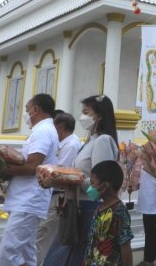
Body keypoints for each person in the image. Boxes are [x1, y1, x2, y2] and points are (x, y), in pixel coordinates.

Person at [44, 94, 119, 266]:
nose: (82, 117)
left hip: (88, 209)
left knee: (69, 258)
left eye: (86, 112)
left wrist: (74, 178)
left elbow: (100, 186)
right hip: (76, 206)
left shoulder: (102, 141)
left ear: (98, 116)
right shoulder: (90, 141)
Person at [0, 94, 59, 266]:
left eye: (27, 109)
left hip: (28, 201)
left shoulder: (43, 131)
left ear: (35, 109)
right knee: (26, 254)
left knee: (7, 255)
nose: (26, 113)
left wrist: (1, 169)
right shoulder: (41, 131)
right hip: (26, 200)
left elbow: (32, 167)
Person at [36, 112, 82, 265]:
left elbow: (57, 171)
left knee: (45, 233)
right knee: (44, 233)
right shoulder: (64, 143)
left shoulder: (71, 144)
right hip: (53, 193)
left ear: (60, 127)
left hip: (59, 195)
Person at [83, 160, 134, 265]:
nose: (90, 188)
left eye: (92, 183)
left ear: (104, 185)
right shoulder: (99, 208)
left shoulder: (119, 211)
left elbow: (125, 246)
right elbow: (92, 242)